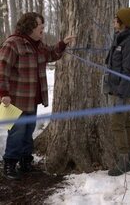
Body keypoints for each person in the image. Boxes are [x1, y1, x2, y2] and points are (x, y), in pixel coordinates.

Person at [0, 12, 76, 180]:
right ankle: (9, 164)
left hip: (32, 99)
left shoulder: (38, 45)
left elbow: (51, 54)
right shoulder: (12, 44)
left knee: (28, 131)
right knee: (17, 132)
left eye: (43, 26)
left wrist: (62, 44)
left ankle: (26, 161)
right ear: (30, 27)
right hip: (16, 100)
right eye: (40, 26)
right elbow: (2, 69)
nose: (43, 29)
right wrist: (3, 93)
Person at [105, 7, 130, 176]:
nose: (113, 22)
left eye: (116, 19)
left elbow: (128, 71)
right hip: (117, 89)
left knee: (117, 125)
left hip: (122, 91)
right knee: (126, 121)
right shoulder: (120, 39)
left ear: (123, 23)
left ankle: (124, 160)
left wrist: (120, 94)